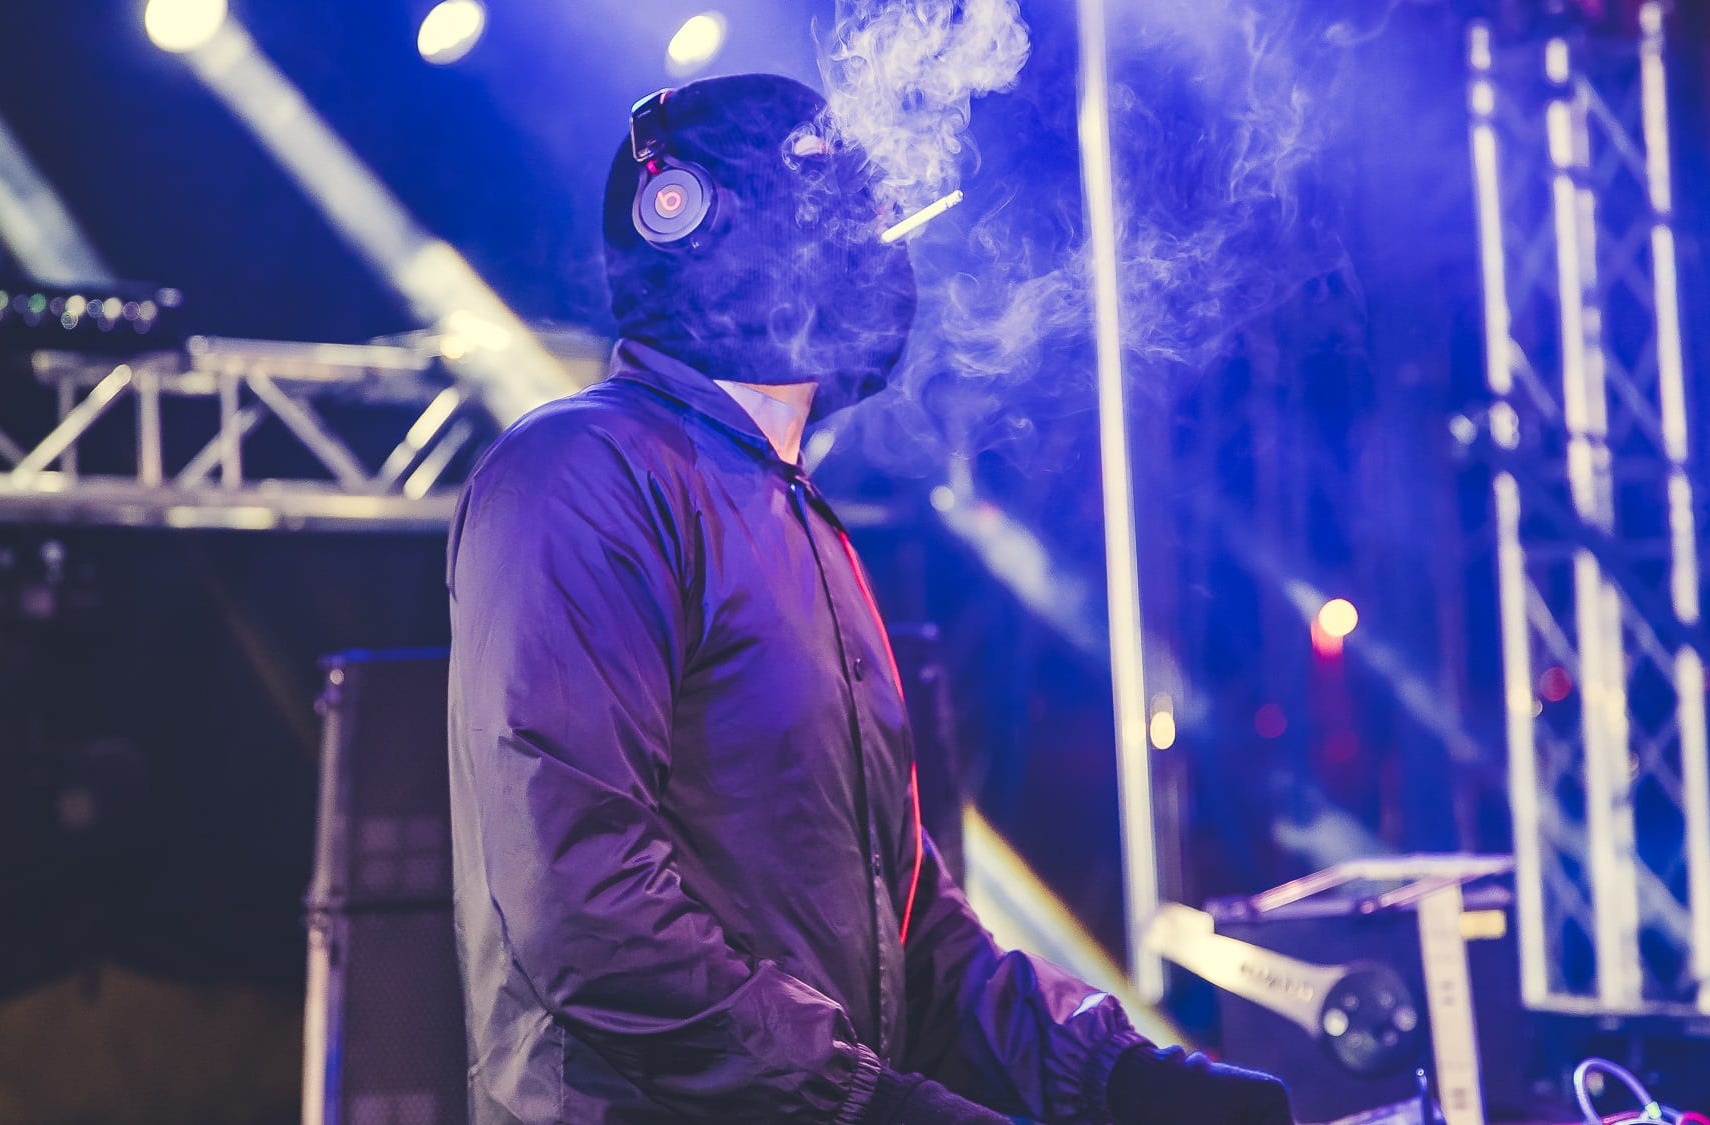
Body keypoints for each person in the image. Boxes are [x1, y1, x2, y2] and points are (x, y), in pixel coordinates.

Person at [445, 73, 1294, 1124]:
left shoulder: (797, 519)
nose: (876, 251)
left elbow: (914, 937)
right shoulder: (582, 472)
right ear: (690, 218)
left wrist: (1117, 1074)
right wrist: (866, 1101)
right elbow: (584, 907)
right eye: (838, 215)